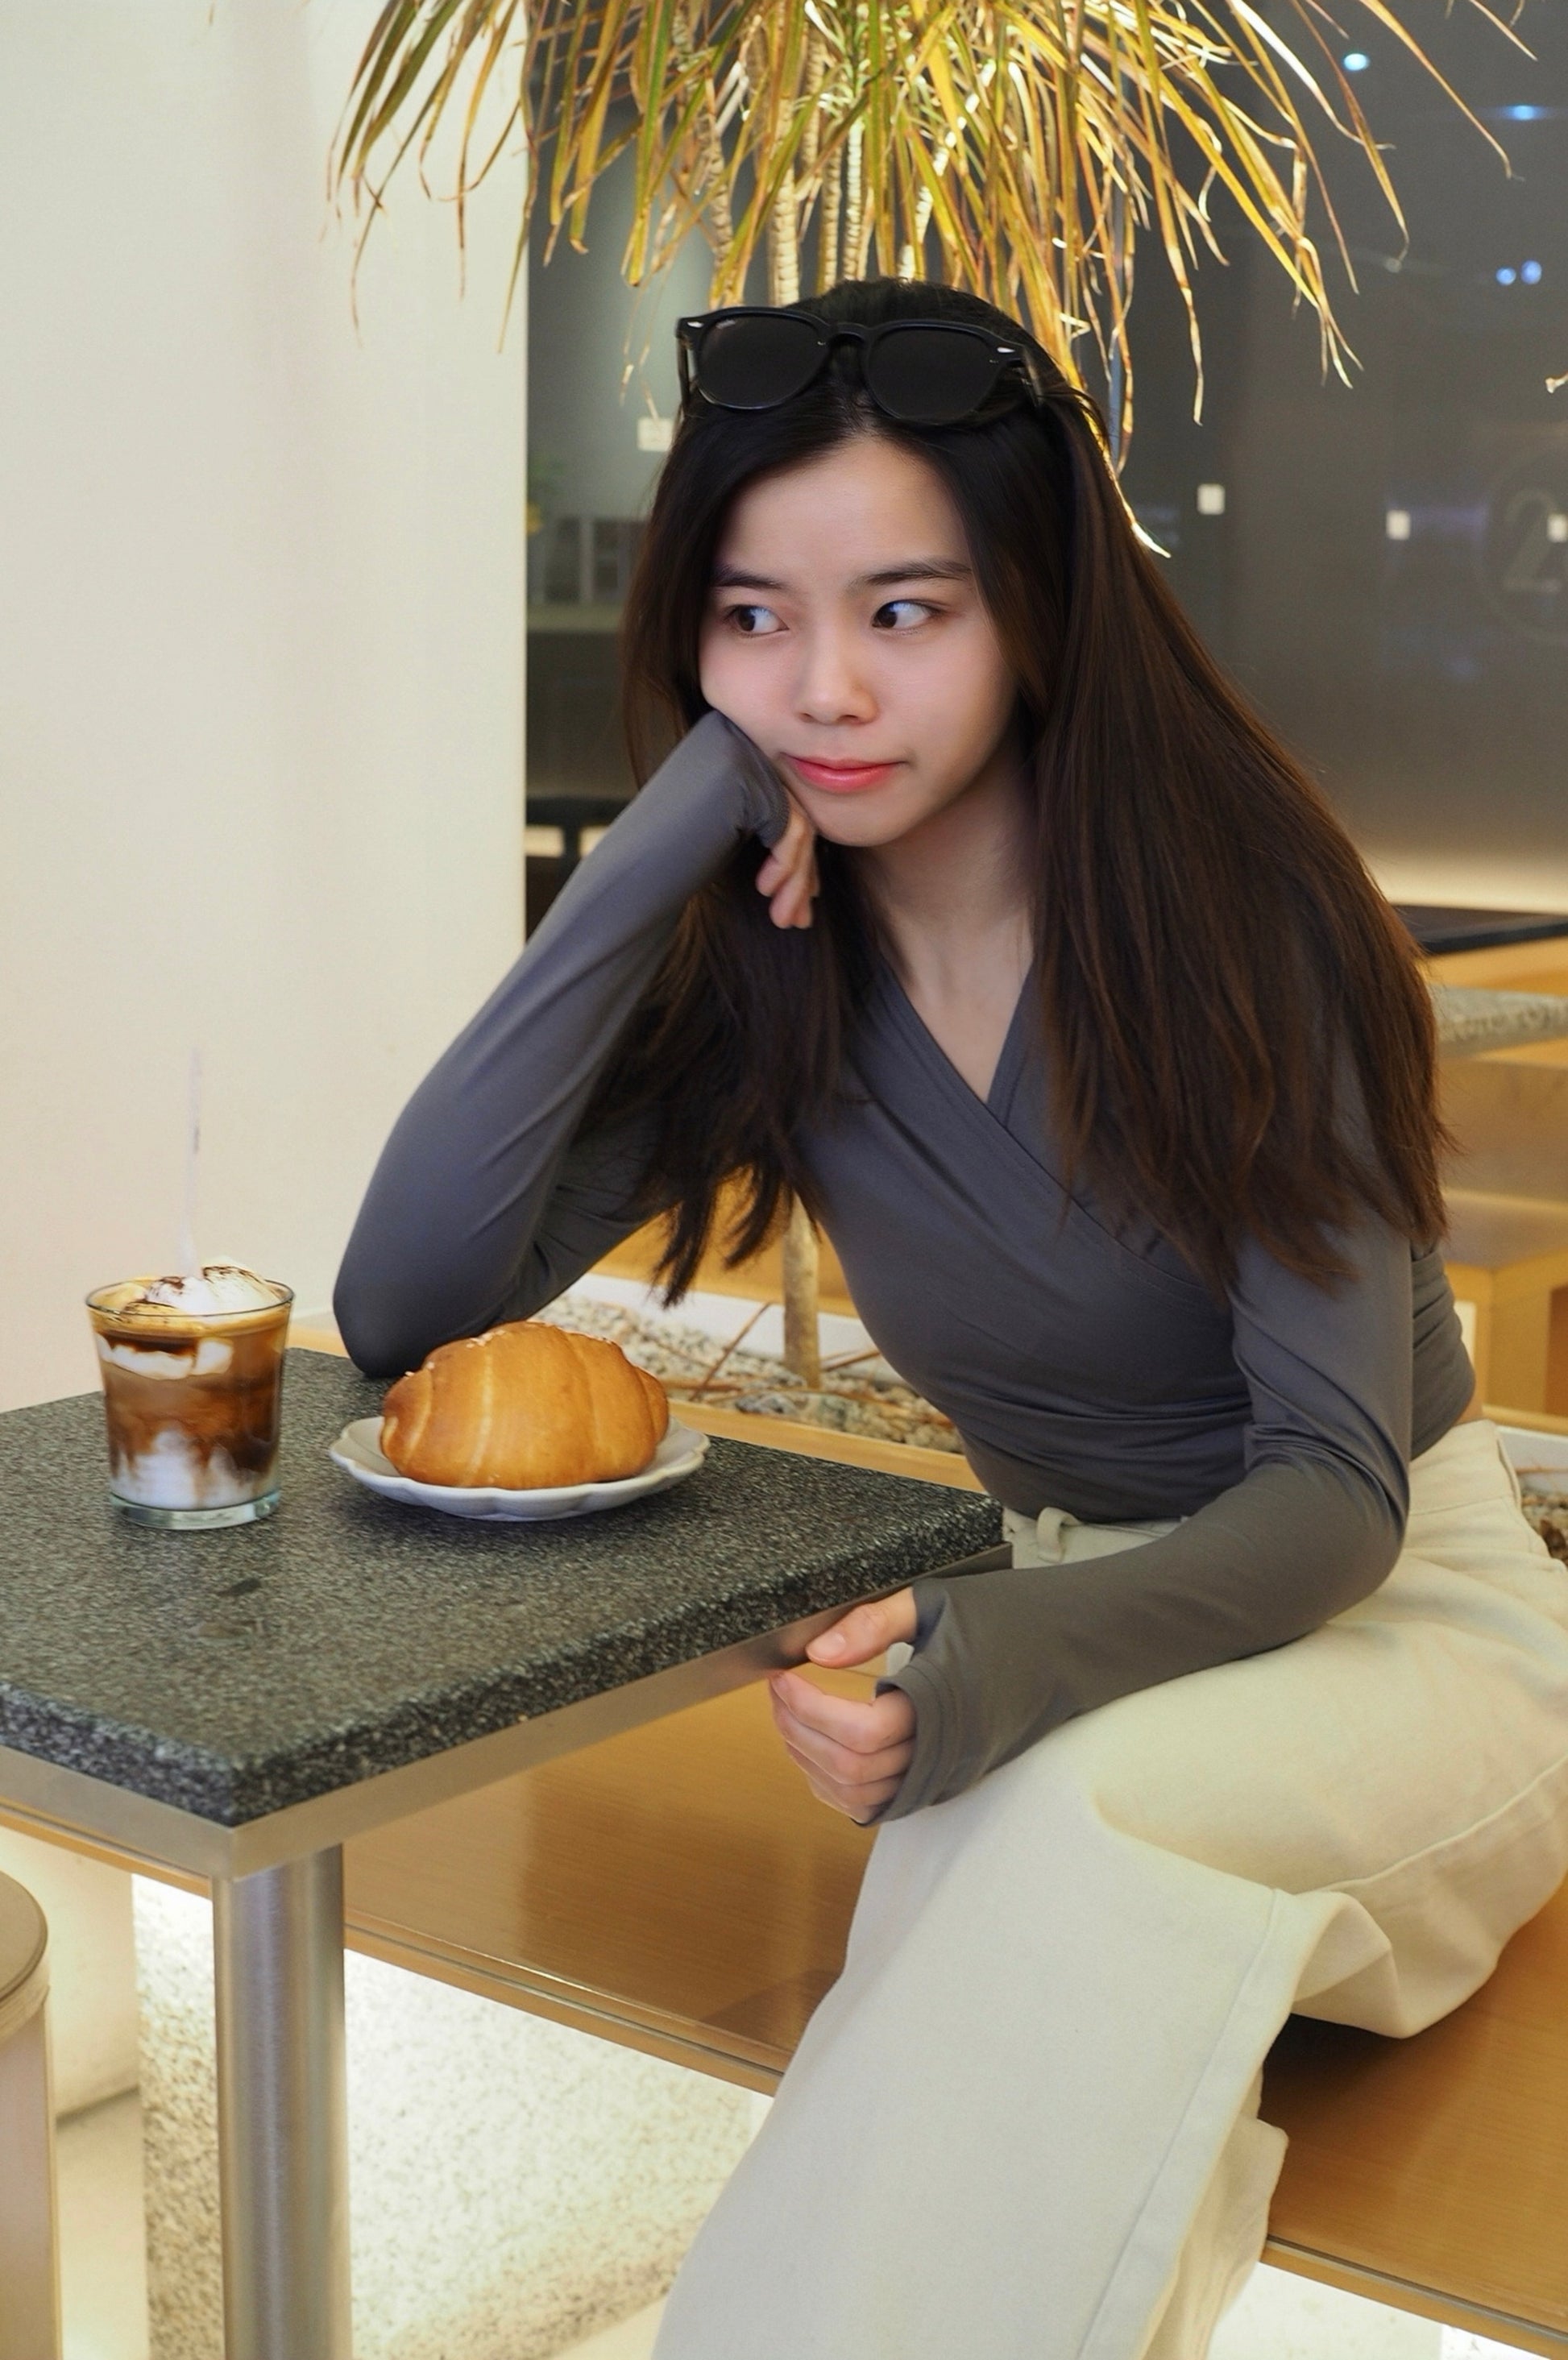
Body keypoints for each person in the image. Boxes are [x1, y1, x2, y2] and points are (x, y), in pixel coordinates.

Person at [334, 279, 1568, 2360]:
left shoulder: (1240, 922)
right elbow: (407, 1306)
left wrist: (990, 1660)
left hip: (1390, 1621)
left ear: (1036, 607)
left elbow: (1333, 1497)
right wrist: (658, 845)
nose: (819, 686)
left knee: (1058, 1846)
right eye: (749, 616)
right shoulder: (771, 966)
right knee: (1004, 2059)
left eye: (902, 610)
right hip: (1051, 1614)